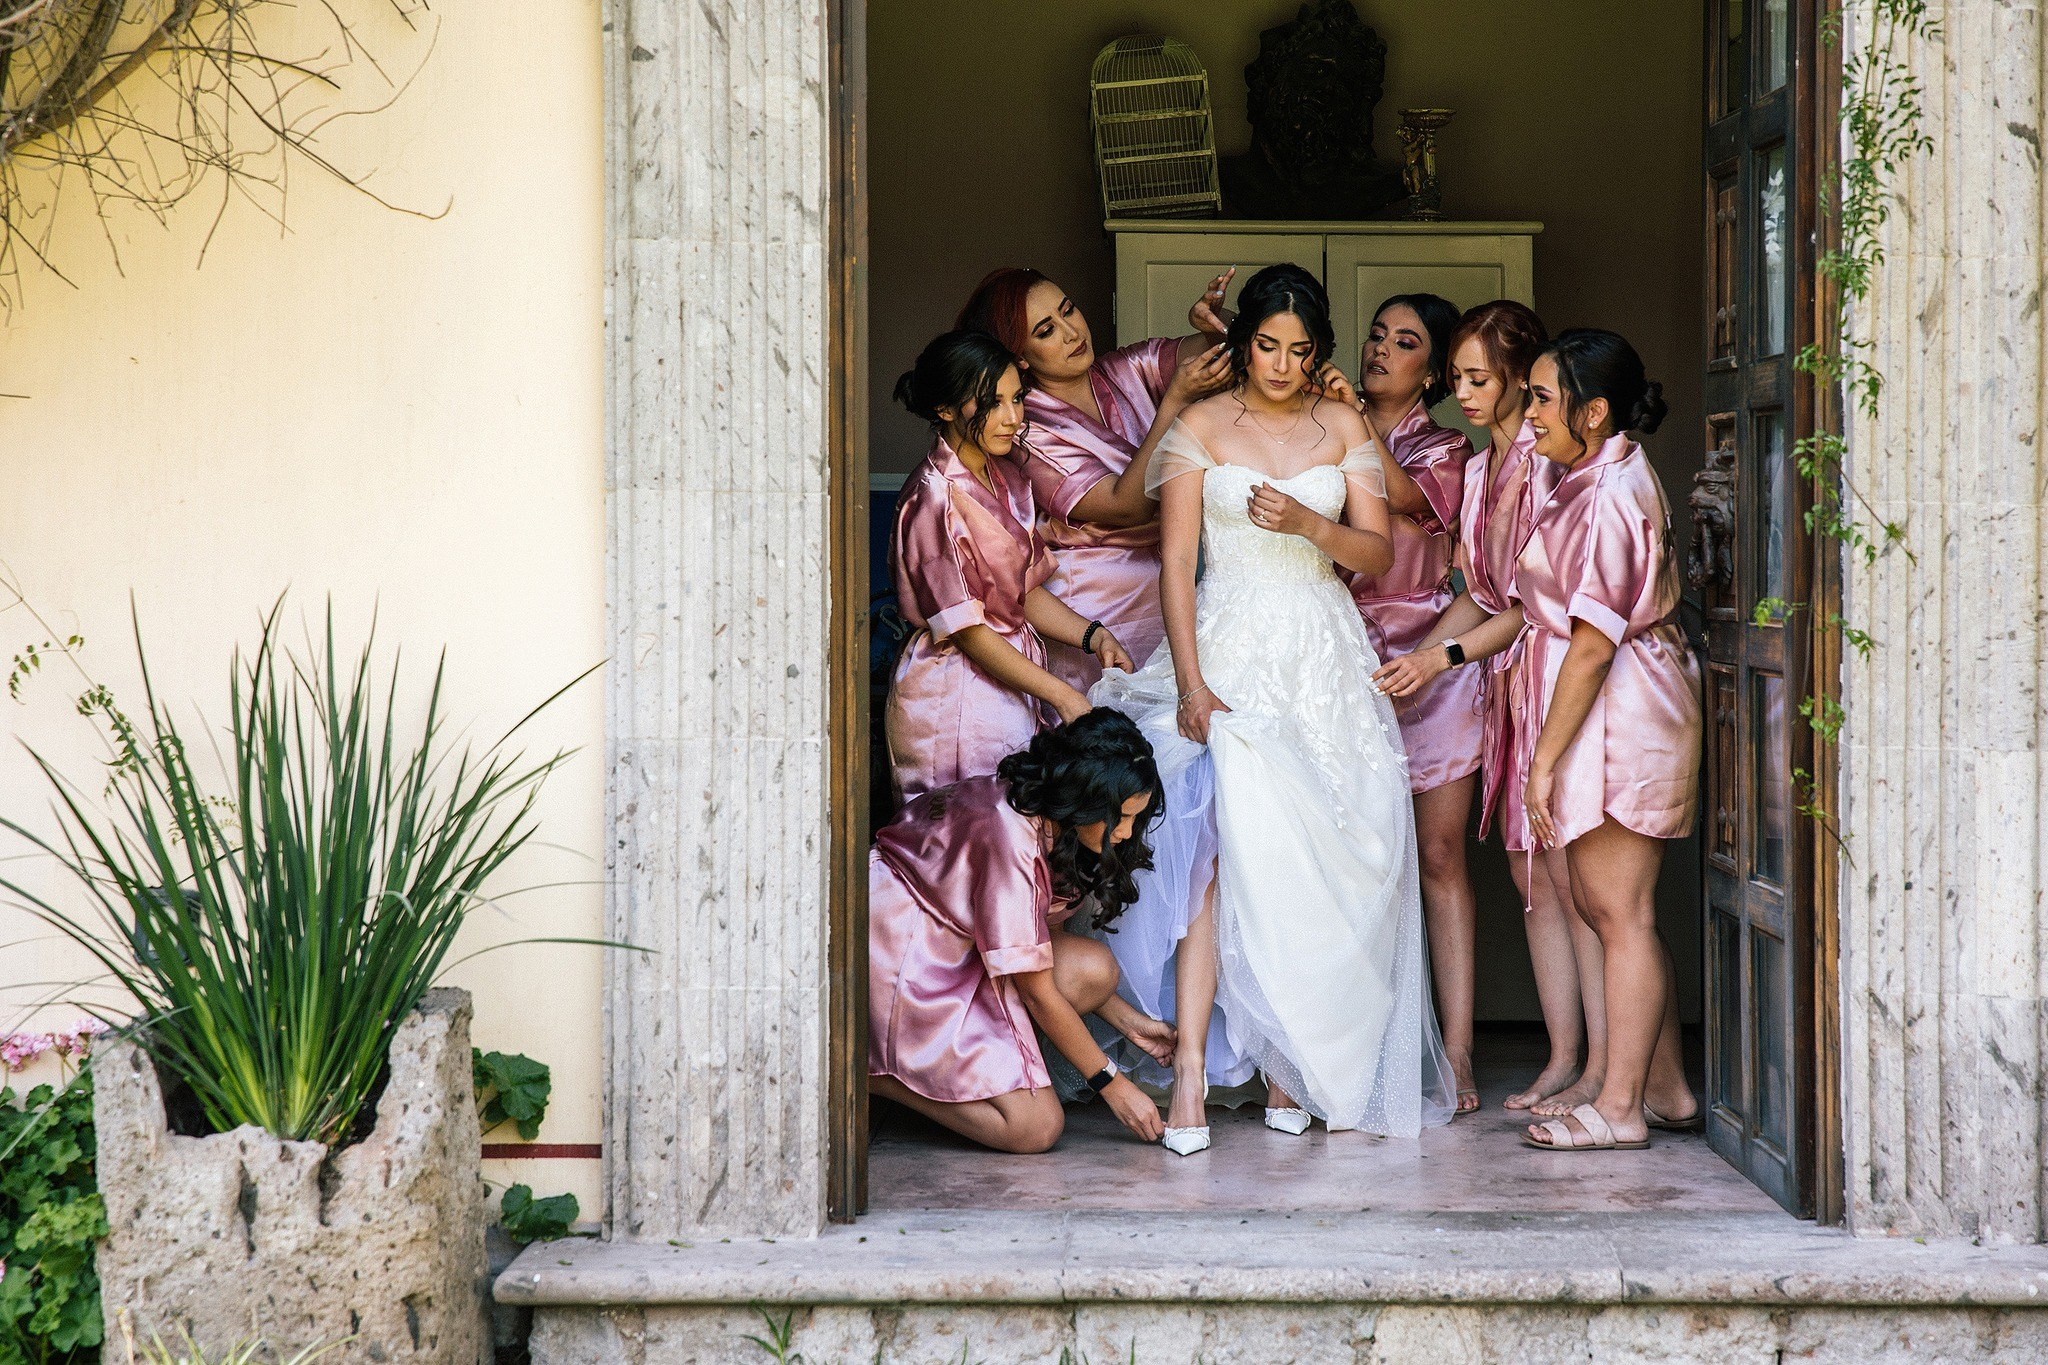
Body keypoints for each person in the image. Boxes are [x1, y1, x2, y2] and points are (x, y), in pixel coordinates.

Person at [1092, 264, 1457, 1154]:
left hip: (1323, 653)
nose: (1283, 365)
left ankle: (1291, 1063)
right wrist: (1188, 681)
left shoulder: (1344, 425)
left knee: (1317, 854)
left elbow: (1373, 550)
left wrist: (1308, 527)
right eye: (1267, 345)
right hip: (1230, 648)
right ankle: (1186, 1076)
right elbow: (1177, 562)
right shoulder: (1200, 424)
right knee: (1219, 855)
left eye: (1300, 350)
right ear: (1243, 340)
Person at [1388, 328, 1702, 1152]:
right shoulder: (1582, 474)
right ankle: (1660, 1087)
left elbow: (1592, 643)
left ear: (1592, 412)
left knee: (1617, 910)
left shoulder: (1607, 494)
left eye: (1541, 398)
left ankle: (1623, 1106)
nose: (1529, 415)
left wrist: (1544, 760)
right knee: (1609, 909)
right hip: (1593, 700)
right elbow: (1533, 612)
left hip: (1617, 708)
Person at [1373, 301, 1589, 1113]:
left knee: (1578, 876)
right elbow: (1481, 593)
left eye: (1477, 378)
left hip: (1544, 670)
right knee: (1533, 874)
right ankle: (1567, 1056)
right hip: (1498, 674)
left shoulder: (1548, 462)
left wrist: (1437, 655)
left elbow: (1540, 603)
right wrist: (1425, 654)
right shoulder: (1478, 468)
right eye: (1456, 377)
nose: (1462, 393)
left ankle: (1623, 1071)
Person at [868, 711, 1179, 1153]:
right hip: (902, 948)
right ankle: (867, 1074)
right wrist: (1114, 1085)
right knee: (1035, 1126)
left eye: (1136, 817)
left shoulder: (1046, 816)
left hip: (960, 947)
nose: (1127, 833)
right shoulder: (1009, 837)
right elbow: (1034, 990)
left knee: (1094, 969)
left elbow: (1032, 961)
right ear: (1084, 800)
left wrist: (1134, 1026)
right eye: (1121, 818)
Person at [1334, 292, 1486, 1115]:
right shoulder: (1324, 422)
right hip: (1346, 655)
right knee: (1353, 858)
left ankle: (1456, 1049)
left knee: (1439, 857)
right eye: (1375, 333)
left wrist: (1352, 419)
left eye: (1404, 342)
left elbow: (1406, 503)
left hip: (1433, 652)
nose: (1381, 349)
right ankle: (1363, 1046)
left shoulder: (1447, 446)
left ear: (1431, 369)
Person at [957, 268, 1235, 692]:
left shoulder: (1127, 369)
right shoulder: (1024, 430)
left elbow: (1231, 348)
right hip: (1093, 608)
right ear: (1020, 357)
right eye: (1047, 330)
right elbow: (1127, 505)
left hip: (1170, 589)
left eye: (1069, 310)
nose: (1072, 332)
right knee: (1110, 740)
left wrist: (1217, 323)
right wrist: (1176, 400)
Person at [884, 330, 1135, 800]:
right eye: (991, 403)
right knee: (972, 845)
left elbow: (1022, 594)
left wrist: (1093, 635)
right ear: (945, 409)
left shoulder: (1009, 477)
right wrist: (1060, 693)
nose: (1012, 417)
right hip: (953, 696)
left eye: (1016, 398)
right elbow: (967, 630)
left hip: (1010, 685)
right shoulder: (932, 500)